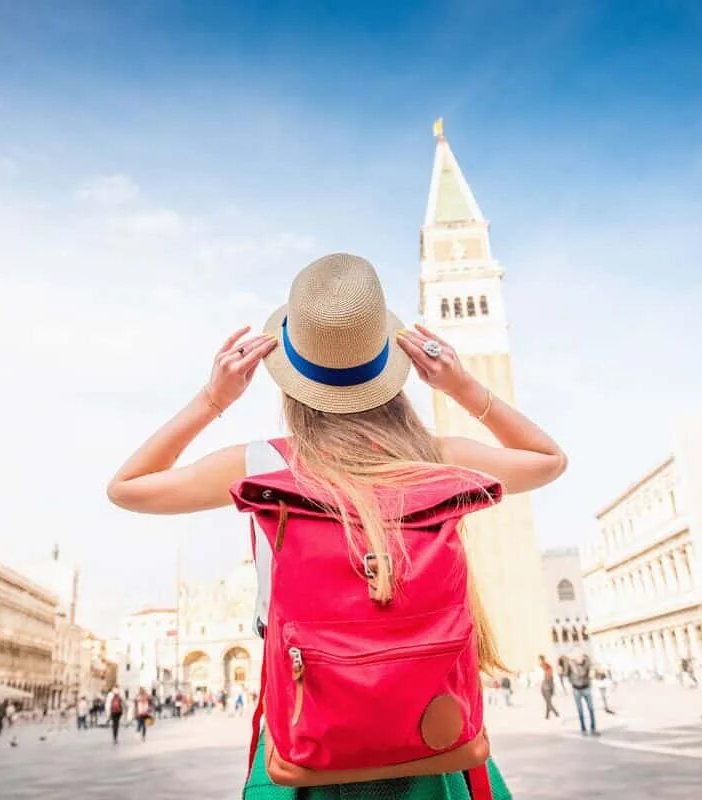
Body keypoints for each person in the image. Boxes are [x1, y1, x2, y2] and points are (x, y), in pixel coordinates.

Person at [107, 253, 568, 799]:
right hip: (434, 741)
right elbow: (547, 460)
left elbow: (128, 487)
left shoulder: (261, 464)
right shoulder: (438, 458)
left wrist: (214, 399)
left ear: (290, 380)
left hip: (307, 741)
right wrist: (462, 386)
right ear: (391, 371)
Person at [569, 653, 599, 737]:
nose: (579, 659)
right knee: (580, 710)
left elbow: (592, 673)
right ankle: (583, 729)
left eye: (581, 657)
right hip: (576, 689)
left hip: (586, 688)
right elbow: (565, 673)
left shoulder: (587, 663)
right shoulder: (571, 665)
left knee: (591, 709)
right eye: (578, 657)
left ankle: (593, 728)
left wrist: (592, 672)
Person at [538, 655, 559, 719]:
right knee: (547, 702)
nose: (539, 661)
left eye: (540, 660)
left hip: (547, 687)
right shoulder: (542, 666)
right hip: (543, 687)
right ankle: (548, 716)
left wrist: (552, 688)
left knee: (548, 702)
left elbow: (546, 668)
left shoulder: (547, 666)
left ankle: (555, 714)